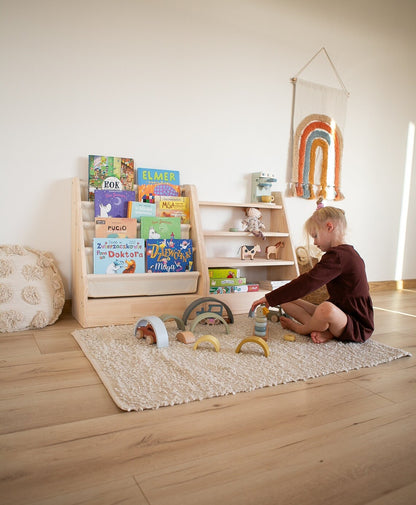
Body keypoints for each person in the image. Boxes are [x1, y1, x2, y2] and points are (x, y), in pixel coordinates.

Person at [250, 204, 374, 344]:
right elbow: (305, 283)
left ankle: (302, 329)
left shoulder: (340, 256)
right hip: (338, 311)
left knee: (325, 309)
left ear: (329, 227)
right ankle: (324, 330)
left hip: (355, 324)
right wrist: (273, 298)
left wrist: (269, 298)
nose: (314, 242)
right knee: (284, 301)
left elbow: (308, 282)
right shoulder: (339, 254)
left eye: (315, 236)